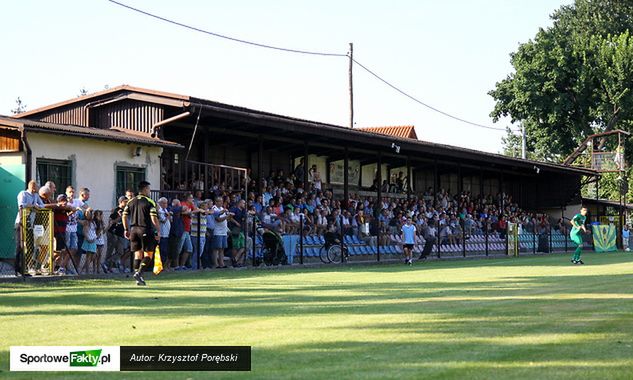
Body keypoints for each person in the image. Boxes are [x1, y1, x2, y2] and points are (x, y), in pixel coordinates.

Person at [122, 181, 160, 286]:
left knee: (137, 254)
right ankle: (139, 273)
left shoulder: (130, 201)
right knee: (149, 254)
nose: (149, 191)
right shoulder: (150, 202)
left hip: (133, 230)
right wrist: (158, 231)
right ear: (144, 189)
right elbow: (153, 217)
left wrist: (126, 229)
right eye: (149, 189)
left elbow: (124, 215)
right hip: (145, 230)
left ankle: (137, 278)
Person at [14, 180, 45, 275]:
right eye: (37, 187)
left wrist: (37, 207)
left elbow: (42, 205)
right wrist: (33, 206)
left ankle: (27, 267)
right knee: (20, 246)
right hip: (21, 223)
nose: (38, 189)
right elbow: (22, 205)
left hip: (30, 224)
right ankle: (17, 268)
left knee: (31, 246)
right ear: (33, 187)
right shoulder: (23, 194)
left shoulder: (36, 196)